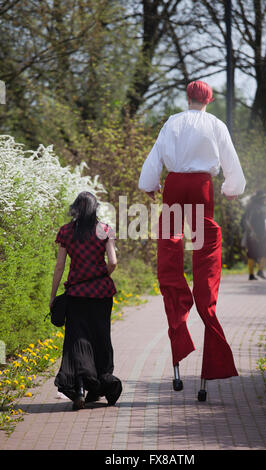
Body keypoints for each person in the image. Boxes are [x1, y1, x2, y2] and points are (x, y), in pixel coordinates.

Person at [138, 80, 246, 400]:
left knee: (170, 249)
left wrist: (150, 184)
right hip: (201, 187)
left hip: (173, 186)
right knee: (206, 248)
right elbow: (232, 167)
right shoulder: (215, 124)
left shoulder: (172, 122)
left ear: (187, 98)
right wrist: (231, 190)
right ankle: (205, 304)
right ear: (209, 100)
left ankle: (178, 306)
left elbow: (154, 158)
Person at [49, 191, 122, 410]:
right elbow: (113, 261)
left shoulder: (66, 232)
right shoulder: (104, 230)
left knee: (77, 340)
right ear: (95, 208)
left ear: (75, 209)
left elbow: (60, 266)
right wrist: (102, 275)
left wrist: (53, 296)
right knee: (100, 337)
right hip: (101, 294)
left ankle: (79, 388)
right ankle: (98, 387)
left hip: (76, 295)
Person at [241, 191, 266, 280]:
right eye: (264, 198)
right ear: (260, 199)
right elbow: (246, 221)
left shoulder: (256, 208)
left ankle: (256, 272)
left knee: (260, 253)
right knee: (257, 254)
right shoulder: (254, 208)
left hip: (259, 234)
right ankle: (254, 273)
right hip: (253, 235)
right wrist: (252, 232)